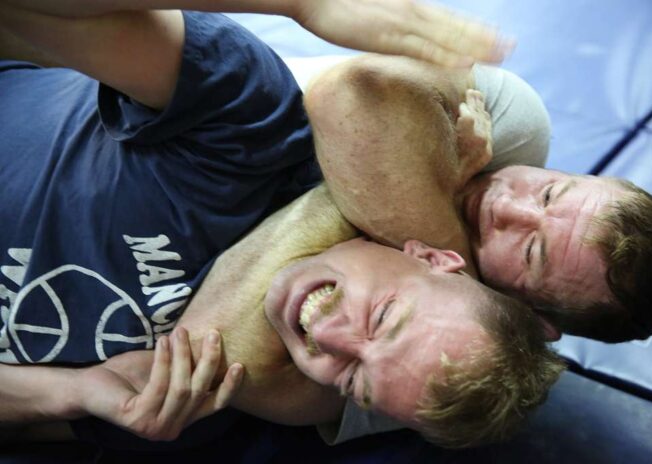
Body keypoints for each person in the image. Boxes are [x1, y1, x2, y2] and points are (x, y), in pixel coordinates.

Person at [0, 0, 563, 451]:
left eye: (351, 379)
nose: (329, 339)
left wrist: (64, 393)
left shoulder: (191, 403)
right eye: (383, 317)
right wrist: (299, 5)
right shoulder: (250, 136)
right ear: (431, 254)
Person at [305, 54, 652, 343]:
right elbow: (346, 94)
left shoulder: (431, 359)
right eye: (549, 192)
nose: (505, 207)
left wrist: (440, 186)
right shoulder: (515, 126)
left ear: (530, 317)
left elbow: (248, 356)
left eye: (531, 252)